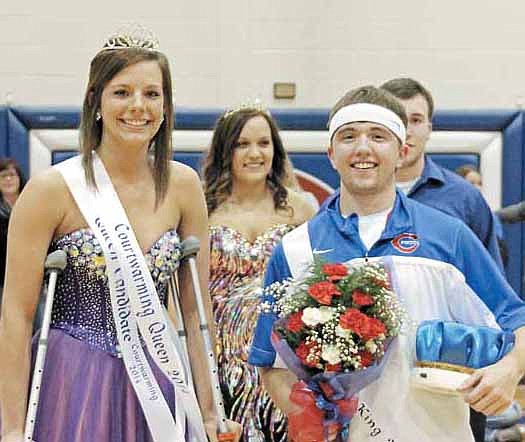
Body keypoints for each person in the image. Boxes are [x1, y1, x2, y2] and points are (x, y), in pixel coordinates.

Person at [0, 26, 240, 442]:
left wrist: (208, 409)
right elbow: (16, 318)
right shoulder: (51, 190)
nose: (138, 106)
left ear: (166, 106)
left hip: (158, 370)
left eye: (152, 93)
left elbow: (195, 314)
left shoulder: (183, 186)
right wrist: (12, 427)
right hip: (71, 375)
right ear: (95, 102)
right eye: (122, 92)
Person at [249, 86, 525, 442]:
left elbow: (515, 319)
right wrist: (315, 414)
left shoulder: (449, 236)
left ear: (402, 151)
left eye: (378, 136)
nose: (363, 148)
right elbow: (271, 365)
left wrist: (510, 368)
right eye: (349, 136)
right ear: (331, 153)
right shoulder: (294, 249)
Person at [202, 106, 315, 441]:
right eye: (242, 144)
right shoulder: (201, 207)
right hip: (221, 361)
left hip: (281, 362)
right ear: (225, 151)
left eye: (264, 143)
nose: (255, 153)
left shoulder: (301, 208)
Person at [0, 158, 26, 311]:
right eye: (3, 176)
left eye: (12, 175)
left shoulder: (32, 203)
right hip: (3, 277)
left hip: (31, 276)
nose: (8, 179)